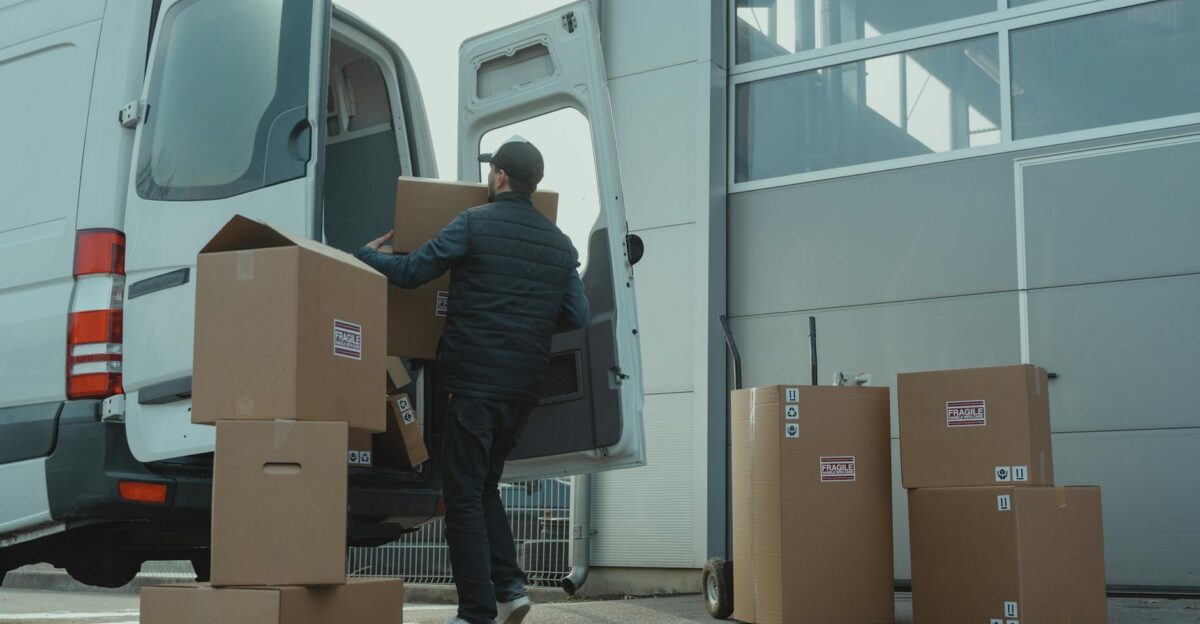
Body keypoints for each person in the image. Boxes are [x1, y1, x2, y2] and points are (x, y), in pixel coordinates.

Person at [355, 137, 589, 624]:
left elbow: (412, 272)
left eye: (491, 171)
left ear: (500, 176)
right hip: (523, 389)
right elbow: (577, 314)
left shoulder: (474, 224)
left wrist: (367, 255)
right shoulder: (560, 245)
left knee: (461, 495)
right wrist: (526, 321)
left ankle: (475, 612)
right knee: (485, 487)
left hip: (472, 385)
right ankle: (510, 588)